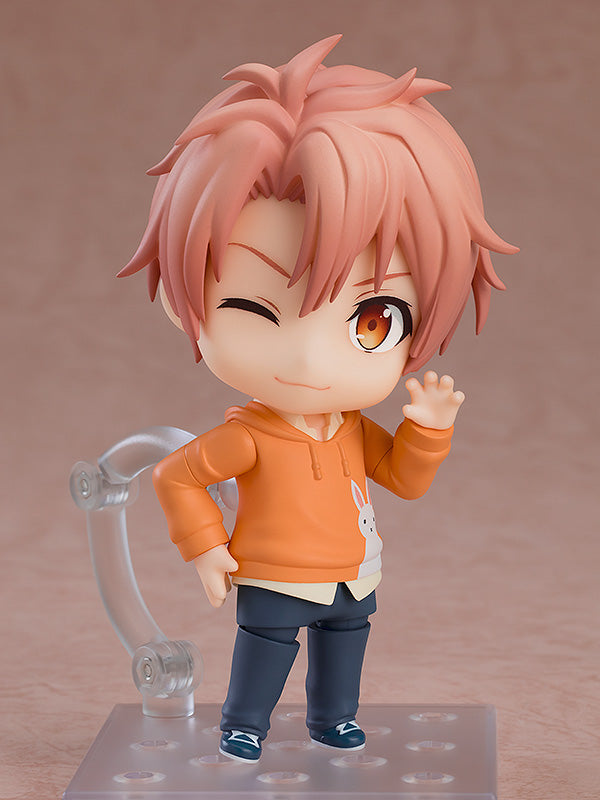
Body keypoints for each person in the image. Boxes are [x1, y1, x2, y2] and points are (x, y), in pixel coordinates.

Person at [119, 35, 517, 762]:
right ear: (186, 304)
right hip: (273, 573)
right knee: (266, 647)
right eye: (252, 308)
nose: (307, 358)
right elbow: (176, 475)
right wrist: (207, 549)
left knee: (345, 644)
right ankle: (244, 723)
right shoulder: (249, 436)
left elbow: (402, 480)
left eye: (373, 320)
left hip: (353, 573)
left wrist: (427, 431)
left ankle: (333, 719)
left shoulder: (352, 429)